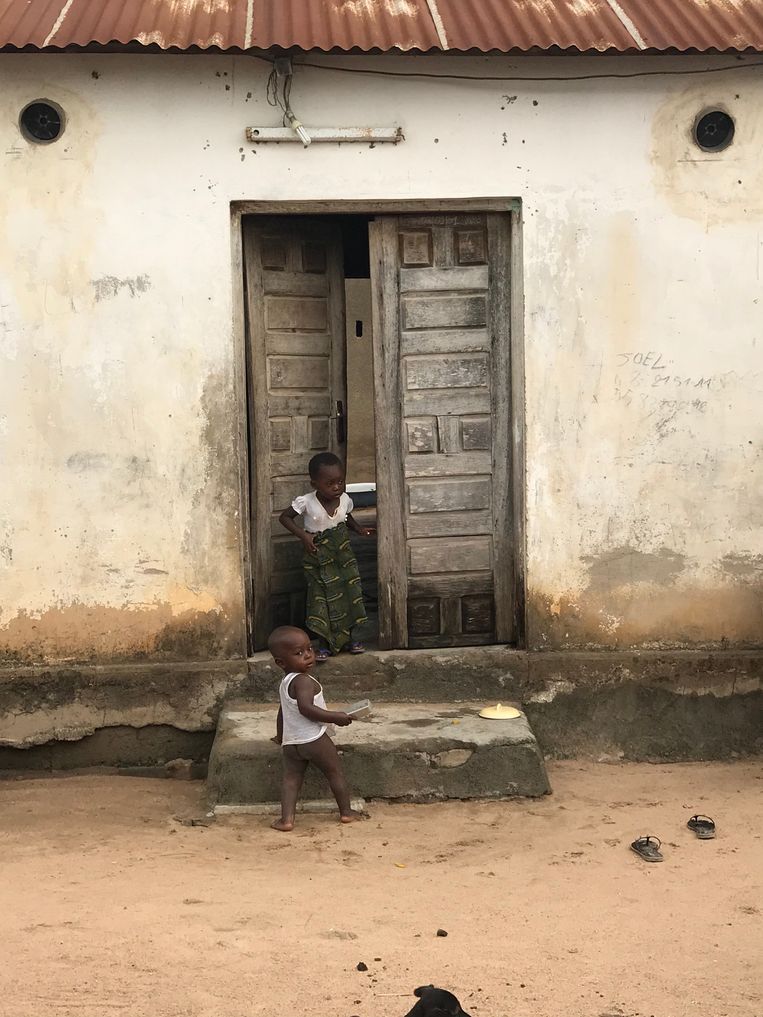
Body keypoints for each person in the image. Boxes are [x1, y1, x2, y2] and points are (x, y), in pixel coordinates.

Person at [278, 452, 375, 660]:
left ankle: (350, 639)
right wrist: (303, 536)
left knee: (350, 594)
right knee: (321, 598)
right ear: (315, 483)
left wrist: (359, 529)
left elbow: (346, 517)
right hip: (318, 558)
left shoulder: (345, 499)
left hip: (343, 556)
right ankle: (324, 644)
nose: (336, 487)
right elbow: (284, 518)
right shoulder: (306, 502)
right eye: (330, 483)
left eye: (340, 481)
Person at [268, 625, 365, 832]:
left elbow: (283, 711)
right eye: (299, 653)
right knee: (334, 772)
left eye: (309, 649)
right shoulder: (303, 681)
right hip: (314, 739)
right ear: (280, 662)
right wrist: (336, 717)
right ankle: (346, 812)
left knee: (291, 778)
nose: (308, 656)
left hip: (292, 743)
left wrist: (280, 735)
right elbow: (306, 709)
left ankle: (286, 820)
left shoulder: (286, 682)